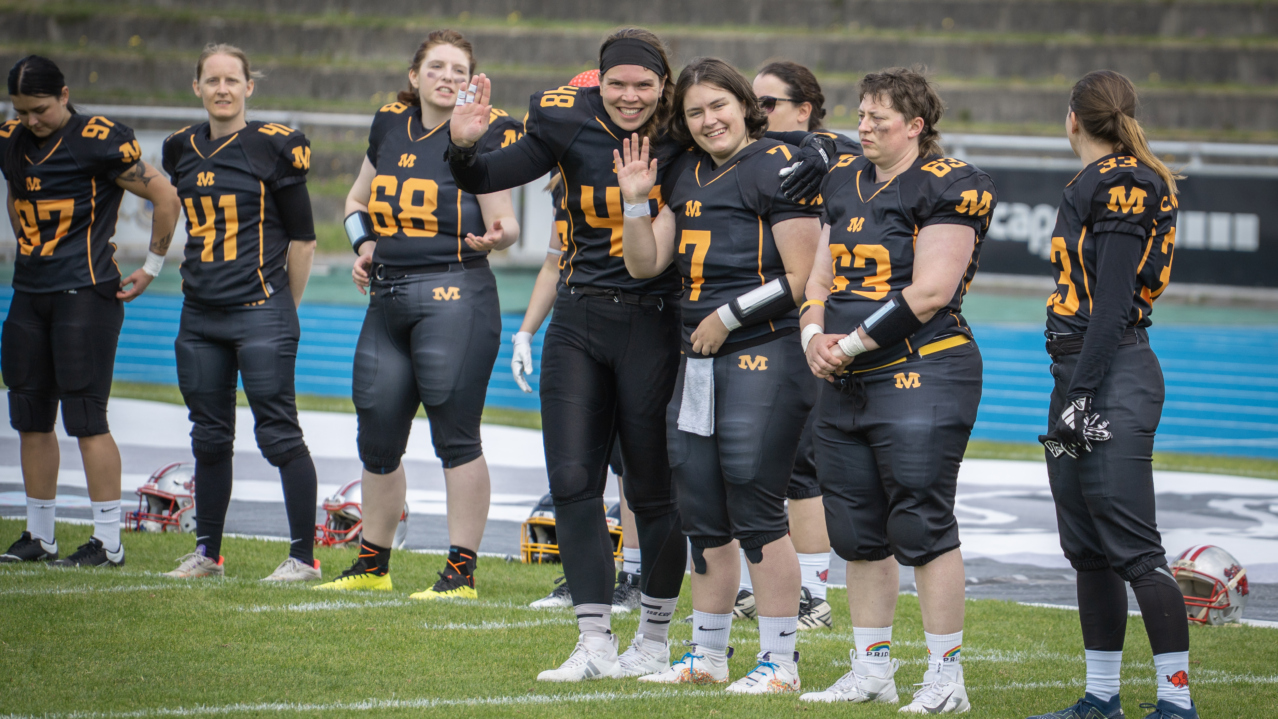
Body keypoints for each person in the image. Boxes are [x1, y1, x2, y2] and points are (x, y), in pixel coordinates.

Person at [618, 57, 822, 694]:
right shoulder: (686, 171)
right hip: (700, 356)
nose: (709, 121)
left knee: (757, 507)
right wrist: (633, 203)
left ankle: (781, 663)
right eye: (695, 112)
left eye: (719, 106)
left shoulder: (779, 165)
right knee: (702, 510)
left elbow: (803, 277)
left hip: (763, 349)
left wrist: (728, 317)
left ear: (746, 105)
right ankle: (707, 654)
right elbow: (645, 264)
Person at [797, 67, 996, 713]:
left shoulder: (947, 182)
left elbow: (933, 289)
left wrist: (848, 345)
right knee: (856, 530)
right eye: (861, 114)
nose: (865, 126)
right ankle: (872, 665)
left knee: (922, 520)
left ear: (915, 125)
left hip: (923, 370)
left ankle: (946, 675)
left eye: (880, 117)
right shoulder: (843, 178)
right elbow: (820, 276)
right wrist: (811, 335)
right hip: (846, 377)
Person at [314, 30, 521, 598]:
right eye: (437, 66)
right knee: (377, 436)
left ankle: (460, 571)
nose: (448, 76)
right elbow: (356, 202)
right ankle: (372, 565)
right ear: (414, 75)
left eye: (459, 68)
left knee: (456, 437)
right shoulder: (388, 123)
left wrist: (495, 239)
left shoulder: (487, 125)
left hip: (454, 293)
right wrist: (364, 246)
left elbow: (508, 226)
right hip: (387, 297)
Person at [1029, 70, 1193, 719]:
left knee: (1132, 544)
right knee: (1087, 546)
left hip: (1108, 374)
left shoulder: (1123, 180)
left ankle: (1176, 703)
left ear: (1073, 117)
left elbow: (1116, 301)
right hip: (1079, 375)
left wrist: (1083, 394)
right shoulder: (1100, 178)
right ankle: (1101, 696)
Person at [0, 55, 180, 567]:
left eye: (39, 109)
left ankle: (108, 542)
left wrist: (152, 265)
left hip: (86, 292)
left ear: (64, 94)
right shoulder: (11, 140)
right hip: (30, 291)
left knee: (85, 416)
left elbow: (165, 196)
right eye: (21, 111)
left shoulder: (97, 138)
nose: (30, 120)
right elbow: (17, 197)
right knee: (30, 415)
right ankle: (40, 535)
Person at [157, 45, 321, 581]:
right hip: (199, 313)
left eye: (232, 80)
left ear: (250, 86)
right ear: (197, 87)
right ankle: (208, 553)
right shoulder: (179, 148)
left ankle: (302, 557)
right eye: (212, 80)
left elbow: (302, 239)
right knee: (207, 435)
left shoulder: (274, 147)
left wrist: (283, 308)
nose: (222, 89)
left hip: (259, 310)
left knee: (278, 435)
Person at [731, 59, 863, 630]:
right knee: (745, 461)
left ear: (804, 109)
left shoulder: (833, 151)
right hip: (757, 321)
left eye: (768, 104)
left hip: (807, 318)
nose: (754, 114)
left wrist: (819, 146)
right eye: (750, 102)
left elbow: (850, 153)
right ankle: (753, 584)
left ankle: (812, 592)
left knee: (800, 464)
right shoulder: (748, 151)